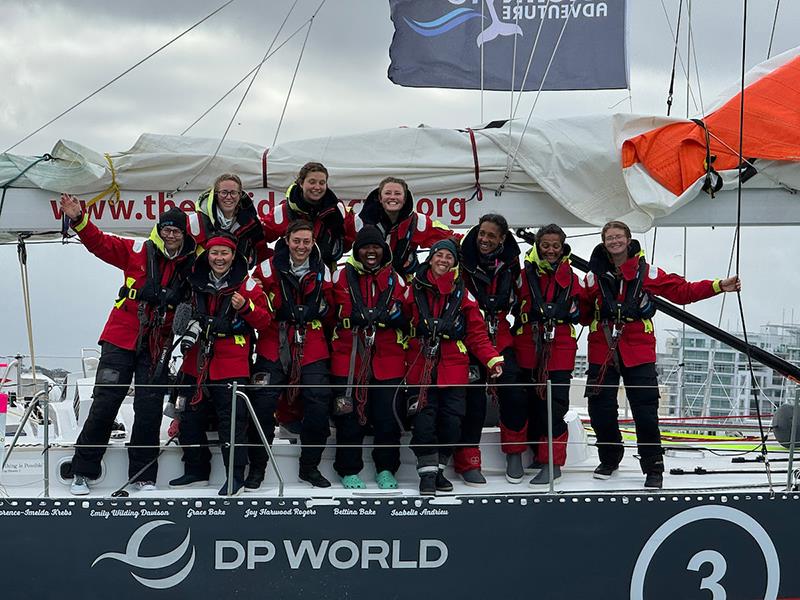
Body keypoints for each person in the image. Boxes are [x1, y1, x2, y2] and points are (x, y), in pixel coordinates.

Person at [583, 220, 741, 489]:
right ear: (603, 242)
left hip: (638, 351)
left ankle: (653, 466)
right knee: (600, 410)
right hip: (602, 349)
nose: (614, 241)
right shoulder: (592, 277)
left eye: (618, 236)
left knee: (646, 412)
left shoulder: (647, 273)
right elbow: (582, 309)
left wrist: (718, 286)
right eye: (609, 238)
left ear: (629, 239)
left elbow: (682, 291)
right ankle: (609, 458)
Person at [59, 194, 196, 495]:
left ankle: (144, 477)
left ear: (184, 235)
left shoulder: (191, 266)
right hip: (120, 337)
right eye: (166, 229)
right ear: (158, 230)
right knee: (105, 404)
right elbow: (101, 244)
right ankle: (83, 472)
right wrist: (79, 219)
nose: (170, 235)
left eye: (176, 231)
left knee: (148, 411)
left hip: (158, 346)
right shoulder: (137, 250)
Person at [168, 234, 271, 496]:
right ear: (207, 255)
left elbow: (265, 321)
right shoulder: (194, 282)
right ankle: (195, 470)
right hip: (196, 360)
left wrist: (245, 307)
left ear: (233, 256)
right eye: (215, 253)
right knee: (189, 418)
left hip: (232, 363)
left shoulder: (246, 286)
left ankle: (235, 477)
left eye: (225, 253)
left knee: (233, 423)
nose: (219, 258)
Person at [403, 239, 504, 495]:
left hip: (454, 367)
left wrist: (492, 359)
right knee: (424, 422)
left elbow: (476, 334)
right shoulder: (411, 289)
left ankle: (437, 469)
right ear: (431, 258)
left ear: (455, 263)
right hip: (421, 366)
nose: (444, 260)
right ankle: (426, 476)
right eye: (440, 255)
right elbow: (398, 322)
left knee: (452, 422)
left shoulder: (464, 295)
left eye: (449, 257)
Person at [251, 220, 335, 488]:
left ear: (313, 243)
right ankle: (257, 469)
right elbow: (254, 302)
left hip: (311, 340)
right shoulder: (265, 268)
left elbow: (331, 309)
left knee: (319, 401)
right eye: (296, 240)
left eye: (306, 241)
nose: (301, 246)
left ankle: (309, 467)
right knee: (262, 404)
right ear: (286, 240)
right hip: (273, 338)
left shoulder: (323, 270)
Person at [330, 225, 407, 490]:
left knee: (387, 418)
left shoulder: (396, 279)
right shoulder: (340, 276)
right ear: (357, 250)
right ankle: (348, 469)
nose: (370, 251)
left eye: (375, 247)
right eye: (365, 247)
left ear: (383, 250)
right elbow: (331, 312)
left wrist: (397, 318)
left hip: (388, 360)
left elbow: (406, 314)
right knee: (348, 417)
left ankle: (386, 469)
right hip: (349, 358)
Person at [511, 224, 582, 485]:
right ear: (538, 246)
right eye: (545, 245)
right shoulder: (521, 276)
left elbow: (585, 308)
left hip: (559, 350)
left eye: (555, 246)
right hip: (527, 346)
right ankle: (532, 455)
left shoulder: (573, 279)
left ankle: (553, 464)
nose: (551, 250)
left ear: (562, 247)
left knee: (554, 406)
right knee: (528, 403)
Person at [454, 214, 522, 486]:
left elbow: (525, 296)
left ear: (502, 239)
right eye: (481, 233)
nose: (484, 239)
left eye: (491, 236)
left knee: (514, 391)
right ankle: (468, 460)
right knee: (473, 400)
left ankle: (515, 451)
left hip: (501, 335)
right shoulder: (461, 260)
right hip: (470, 336)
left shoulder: (513, 264)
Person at [346, 176, 457, 279]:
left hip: (402, 284)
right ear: (380, 198)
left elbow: (451, 239)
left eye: (397, 193)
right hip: (363, 281)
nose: (392, 197)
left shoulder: (418, 222)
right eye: (388, 193)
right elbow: (341, 241)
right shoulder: (360, 221)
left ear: (404, 199)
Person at [262, 162, 350, 269]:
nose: (317, 187)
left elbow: (350, 239)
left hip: (325, 276)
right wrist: (274, 261)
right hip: (288, 277)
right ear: (301, 183)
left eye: (322, 183)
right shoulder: (282, 212)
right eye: (312, 182)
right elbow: (257, 240)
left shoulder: (338, 211)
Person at [194, 173, 269, 267]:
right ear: (216, 194)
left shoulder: (251, 221)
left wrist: (257, 274)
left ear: (240, 195)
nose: (229, 197)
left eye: (233, 192)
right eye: (224, 192)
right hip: (203, 274)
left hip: (237, 276)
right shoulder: (199, 220)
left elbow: (261, 251)